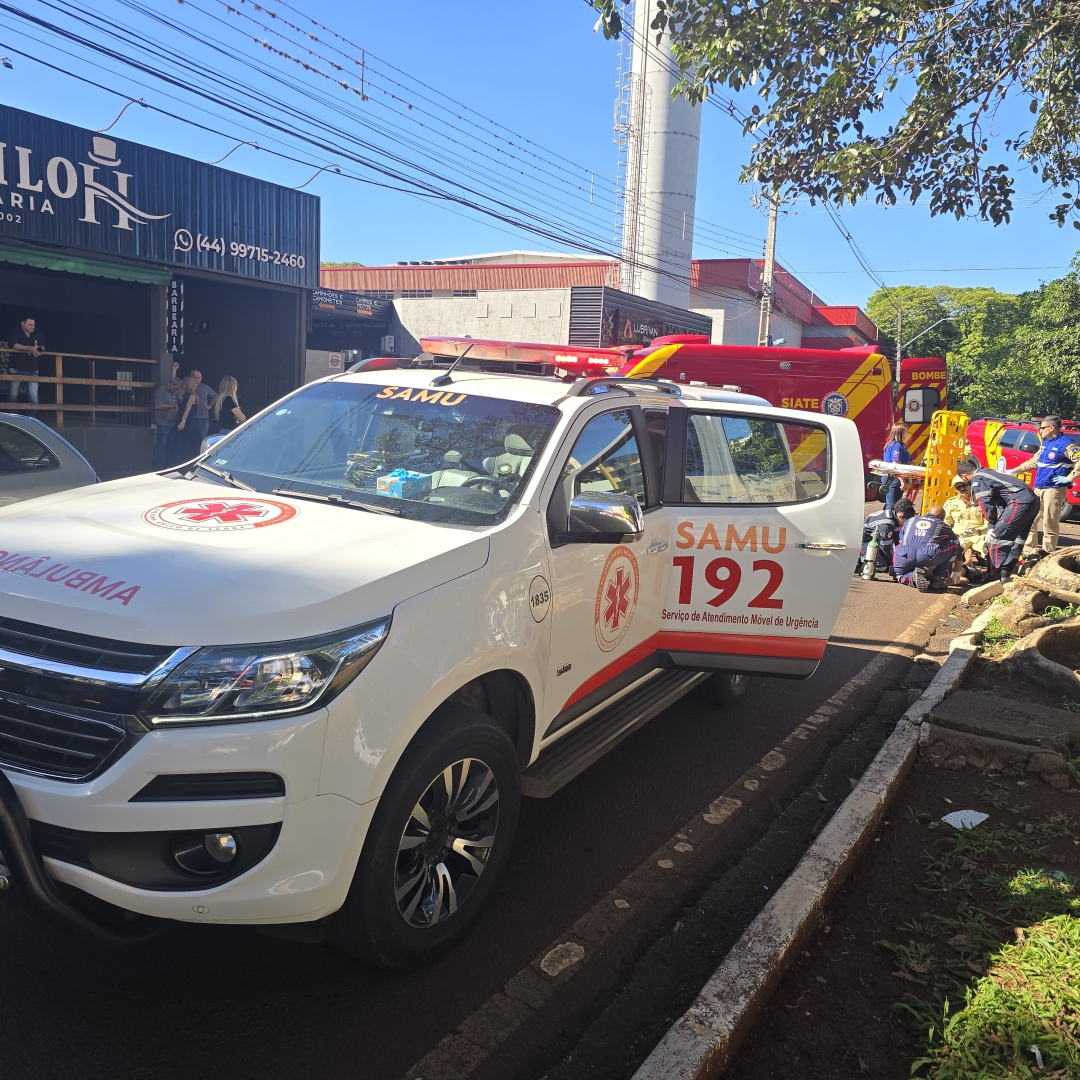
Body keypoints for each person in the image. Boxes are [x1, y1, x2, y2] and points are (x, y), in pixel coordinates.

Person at [1005, 416, 1080, 562]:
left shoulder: (1067, 445)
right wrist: (1015, 470)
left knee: (1049, 522)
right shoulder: (1046, 443)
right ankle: (1029, 552)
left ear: (1051, 428)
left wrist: (1069, 478)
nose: (1040, 430)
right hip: (1038, 487)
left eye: (1042, 427)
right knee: (1030, 519)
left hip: (1054, 489)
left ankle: (1047, 555)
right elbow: (1034, 461)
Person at [956, 457, 1039, 583]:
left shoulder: (978, 479)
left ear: (964, 476)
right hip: (1032, 501)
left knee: (994, 539)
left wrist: (991, 526)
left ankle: (992, 576)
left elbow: (986, 504)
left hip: (1019, 501)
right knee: (1017, 539)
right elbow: (1000, 500)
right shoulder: (989, 473)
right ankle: (1005, 573)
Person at [892, 504, 961, 592]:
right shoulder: (941, 524)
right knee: (953, 545)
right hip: (927, 554)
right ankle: (938, 578)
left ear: (927, 513)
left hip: (904, 554)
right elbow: (957, 545)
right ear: (943, 517)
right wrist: (957, 572)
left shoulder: (910, 520)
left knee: (898, 575)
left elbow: (901, 540)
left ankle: (912, 577)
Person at [859, 497, 914, 577]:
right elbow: (884, 548)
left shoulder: (892, 515)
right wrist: (893, 562)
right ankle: (861, 559)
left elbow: (898, 539)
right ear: (900, 516)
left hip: (871, 539)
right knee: (883, 566)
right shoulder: (886, 525)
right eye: (906, 521)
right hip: (861, 541)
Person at [943, 474, 990, 567]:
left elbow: (990, 522)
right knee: (950, 559)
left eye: (964, 485)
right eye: (958, 487)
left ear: (970, 484)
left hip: (979, 536)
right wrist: (952, 537)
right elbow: (945, 523)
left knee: (988, 558)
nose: (962, 489)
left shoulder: (981, 501)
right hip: (960, 538)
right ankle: (965, 560)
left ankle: (981, 558)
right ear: (955, 490)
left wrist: (979, 531)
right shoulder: (950, 503)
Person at [6, 314, 46, 405]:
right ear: (22, 324)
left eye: (34, 325)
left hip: (32, 368)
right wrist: (30, 348)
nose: (33, 327)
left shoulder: (37, 332)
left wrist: (38, 349)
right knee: (13, 395)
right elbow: (13, 345)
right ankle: (13, 417)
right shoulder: (15, 331)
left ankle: (32, 418)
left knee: (33, 397)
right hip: (16, 367)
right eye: (30, 325)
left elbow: (43, 345)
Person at [880, 422, 911, 511]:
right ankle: (888, 523)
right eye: (906, 431)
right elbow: (896, 465)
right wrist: (902, 481)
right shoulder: (897, 446)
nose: (907, 433)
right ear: (900, 432)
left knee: (893, 504)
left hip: (890, 477)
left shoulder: (896, 444)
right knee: (892, 506)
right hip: (893, 478)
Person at [152, 377, 181, 470]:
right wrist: (172, 406)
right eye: (176, 388)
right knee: (161, 443)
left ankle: (167, 464)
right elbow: (158, 405)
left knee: (170, 444)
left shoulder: (174, 392)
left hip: (171, 422)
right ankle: (156, 465)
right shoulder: (161, 390)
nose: (177, 390)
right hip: (162, 422)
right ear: (171, 384)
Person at [172, 375, 202, 464]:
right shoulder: (192, 396)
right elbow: (187, 409)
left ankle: (172, 463)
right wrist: (183, 422)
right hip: (189, 422)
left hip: (179, 420)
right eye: (194, 383)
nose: (196, 384)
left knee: (178, 443)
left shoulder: (180, 394)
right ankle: (197, 462)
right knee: (197, 443)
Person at [186, 369, 217, 450]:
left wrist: (209, 406)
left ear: (201, 378)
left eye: (198, 377)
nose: (196, 379)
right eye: (194, 377)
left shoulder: (205, 387)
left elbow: (216, 396)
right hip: (190, 418)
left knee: (203, 440)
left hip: (203, 417)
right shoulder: (186, 388)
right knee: (191, 440)